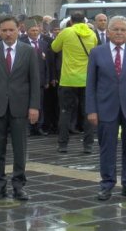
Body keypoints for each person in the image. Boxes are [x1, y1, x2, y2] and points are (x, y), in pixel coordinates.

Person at [85, 15, 126, 201]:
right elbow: (91, 84)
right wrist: (91, 110)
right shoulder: (97, 52)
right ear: (108, 32)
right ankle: (106, 185)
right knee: (107, 148)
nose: (119, 33)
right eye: (115, 29)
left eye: (123, 30)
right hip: (106, 108)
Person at [0, 15, 40, 201]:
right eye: (4, 30)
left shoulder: (28, 51)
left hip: (20, 107)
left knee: (20, 149)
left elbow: (34, 81)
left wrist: (34, 106)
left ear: (18, 30)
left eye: (11, 30)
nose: (7, 34)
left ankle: (19, 185)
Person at [52, 13, 97, 153]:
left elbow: (54, 47)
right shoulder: (92, 34)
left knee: (65, 112)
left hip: (68, 79)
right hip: (86, 80)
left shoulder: (66, 32)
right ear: (84, 20)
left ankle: (63, 144)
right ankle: (88, 145)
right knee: (87, 113)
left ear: (71, 21)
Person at [20, 19, 54, 136]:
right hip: (25, 80)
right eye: (32, 30)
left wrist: (47, 79)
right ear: (27, 31)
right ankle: (27, 127)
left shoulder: (44, 44)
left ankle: (39, 126)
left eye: (36, 30)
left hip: (40, 80)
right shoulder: (22, 43)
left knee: (39, 104)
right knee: (25, 104)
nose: (35, 33)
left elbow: (47, 64)